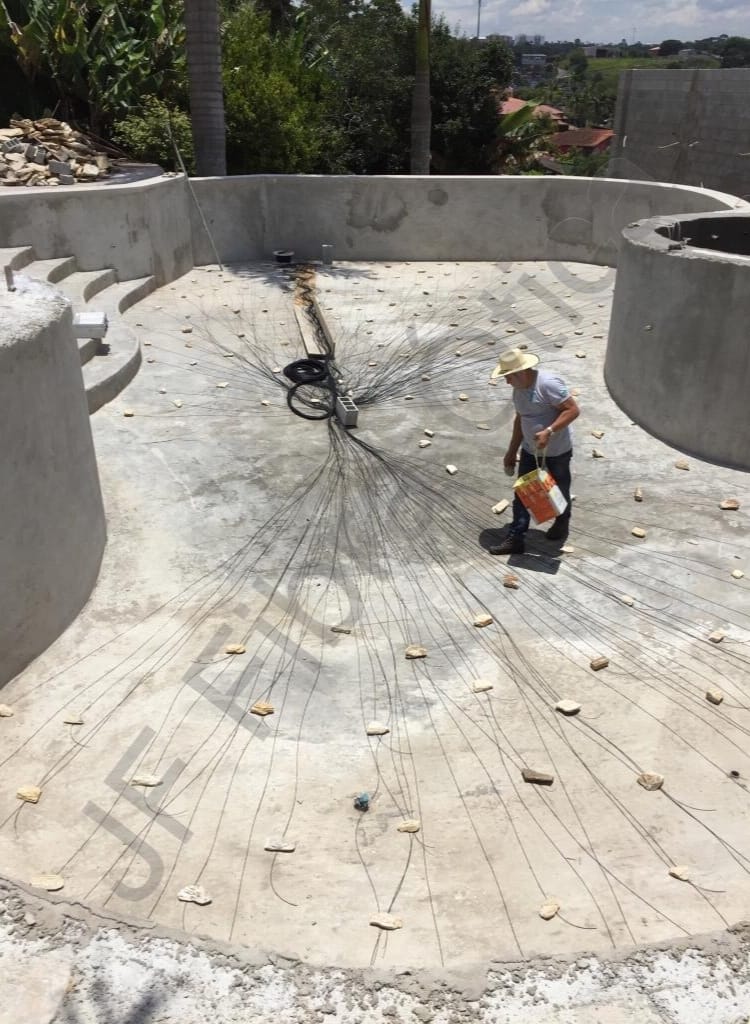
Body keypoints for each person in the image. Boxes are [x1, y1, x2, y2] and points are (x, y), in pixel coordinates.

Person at [489, 348, 580, 555]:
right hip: (530, 450)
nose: (507, 382)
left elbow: (573, 410)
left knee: (559, 490)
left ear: (521, 372)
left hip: (557, 451)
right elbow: (520, 420)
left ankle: (562, 522)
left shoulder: (548, 384)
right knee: (524, 492)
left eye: (508, 376)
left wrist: (549, 431)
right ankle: (516, 537)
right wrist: (512, 451)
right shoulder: (518, 390)